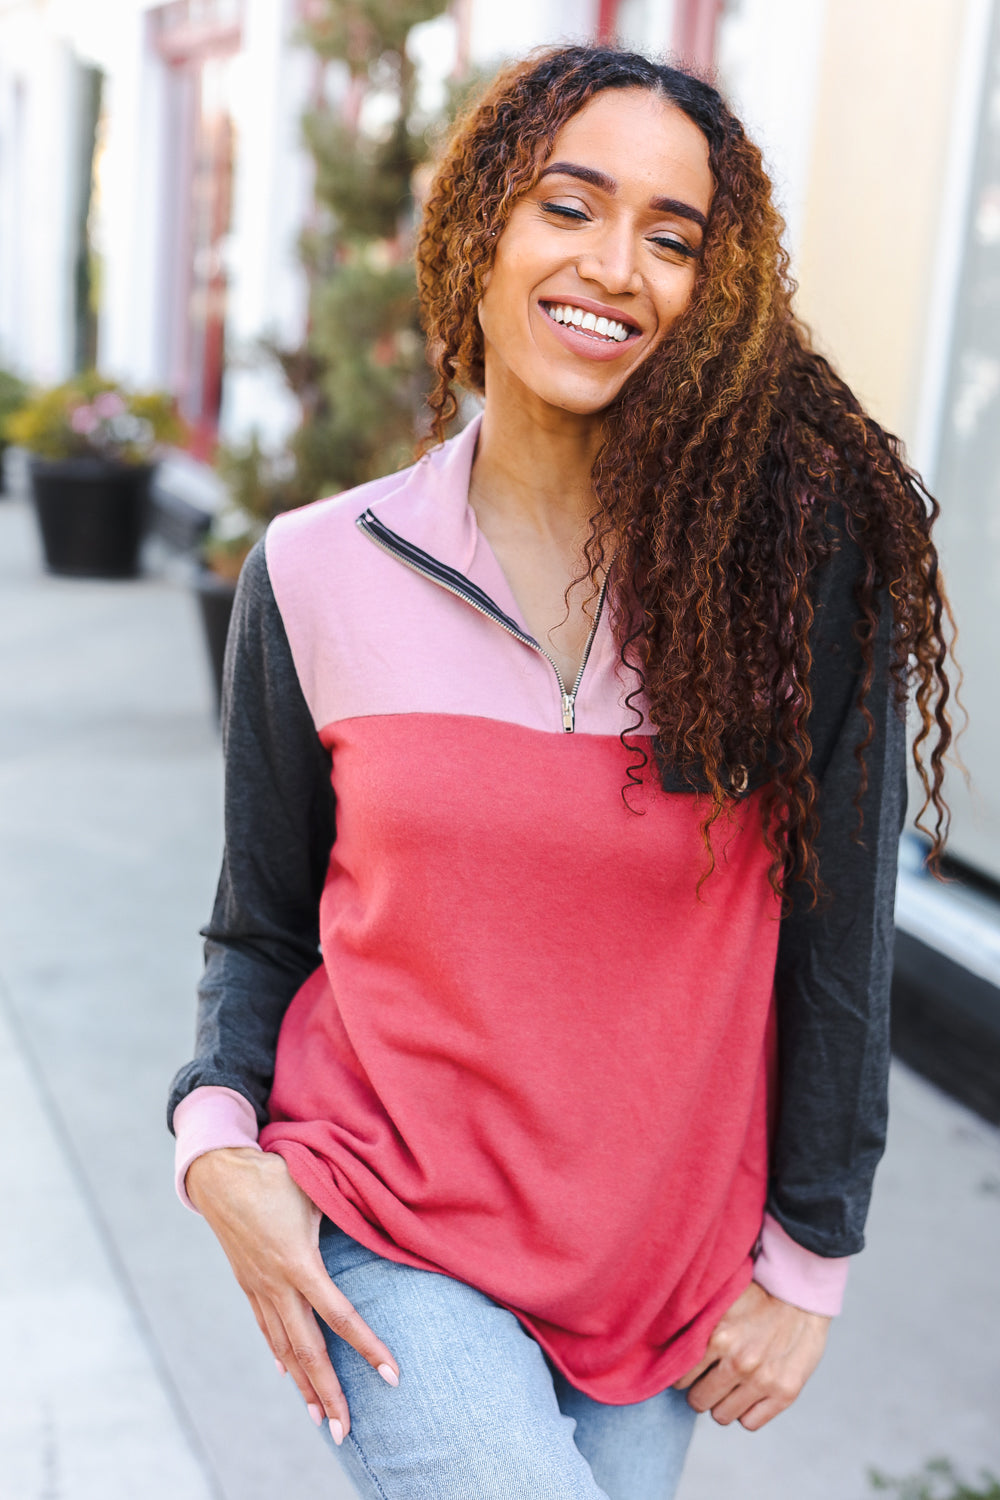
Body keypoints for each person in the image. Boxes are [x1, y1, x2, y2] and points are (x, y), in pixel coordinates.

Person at [168, 44, 954, 1500]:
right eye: (568, 205)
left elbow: (837, 938)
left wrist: (812, 1252)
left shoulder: (788, 580)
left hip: (654, 1277)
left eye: (674, 237)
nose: (617, 266)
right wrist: (216, 1146)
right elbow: (261, 925)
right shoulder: (315, 571)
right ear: (481, 232)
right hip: (384, 1223)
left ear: (714, 296)